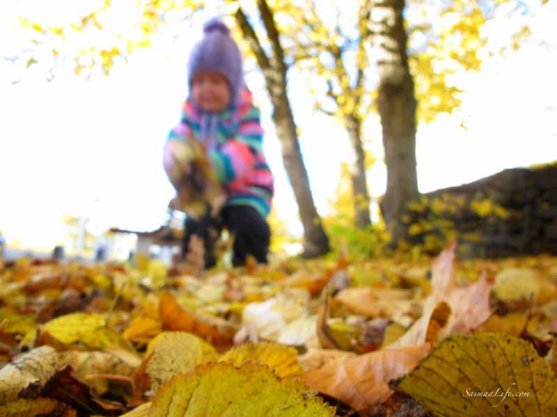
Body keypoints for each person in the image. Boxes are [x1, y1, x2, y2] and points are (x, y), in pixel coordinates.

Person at [163, 18, 274, 270]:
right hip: (205, 193)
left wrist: (209, 167)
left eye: (216, 82)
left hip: (246, 189)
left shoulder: (246, 115)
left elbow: (244, 152)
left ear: (232, 85)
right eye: (200, 82)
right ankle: (199, 270)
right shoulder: (190, 119)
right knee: (195, 228)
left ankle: (250, 268)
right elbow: (176, 143)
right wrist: (176, 160)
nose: (207, 89)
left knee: (248, 226)